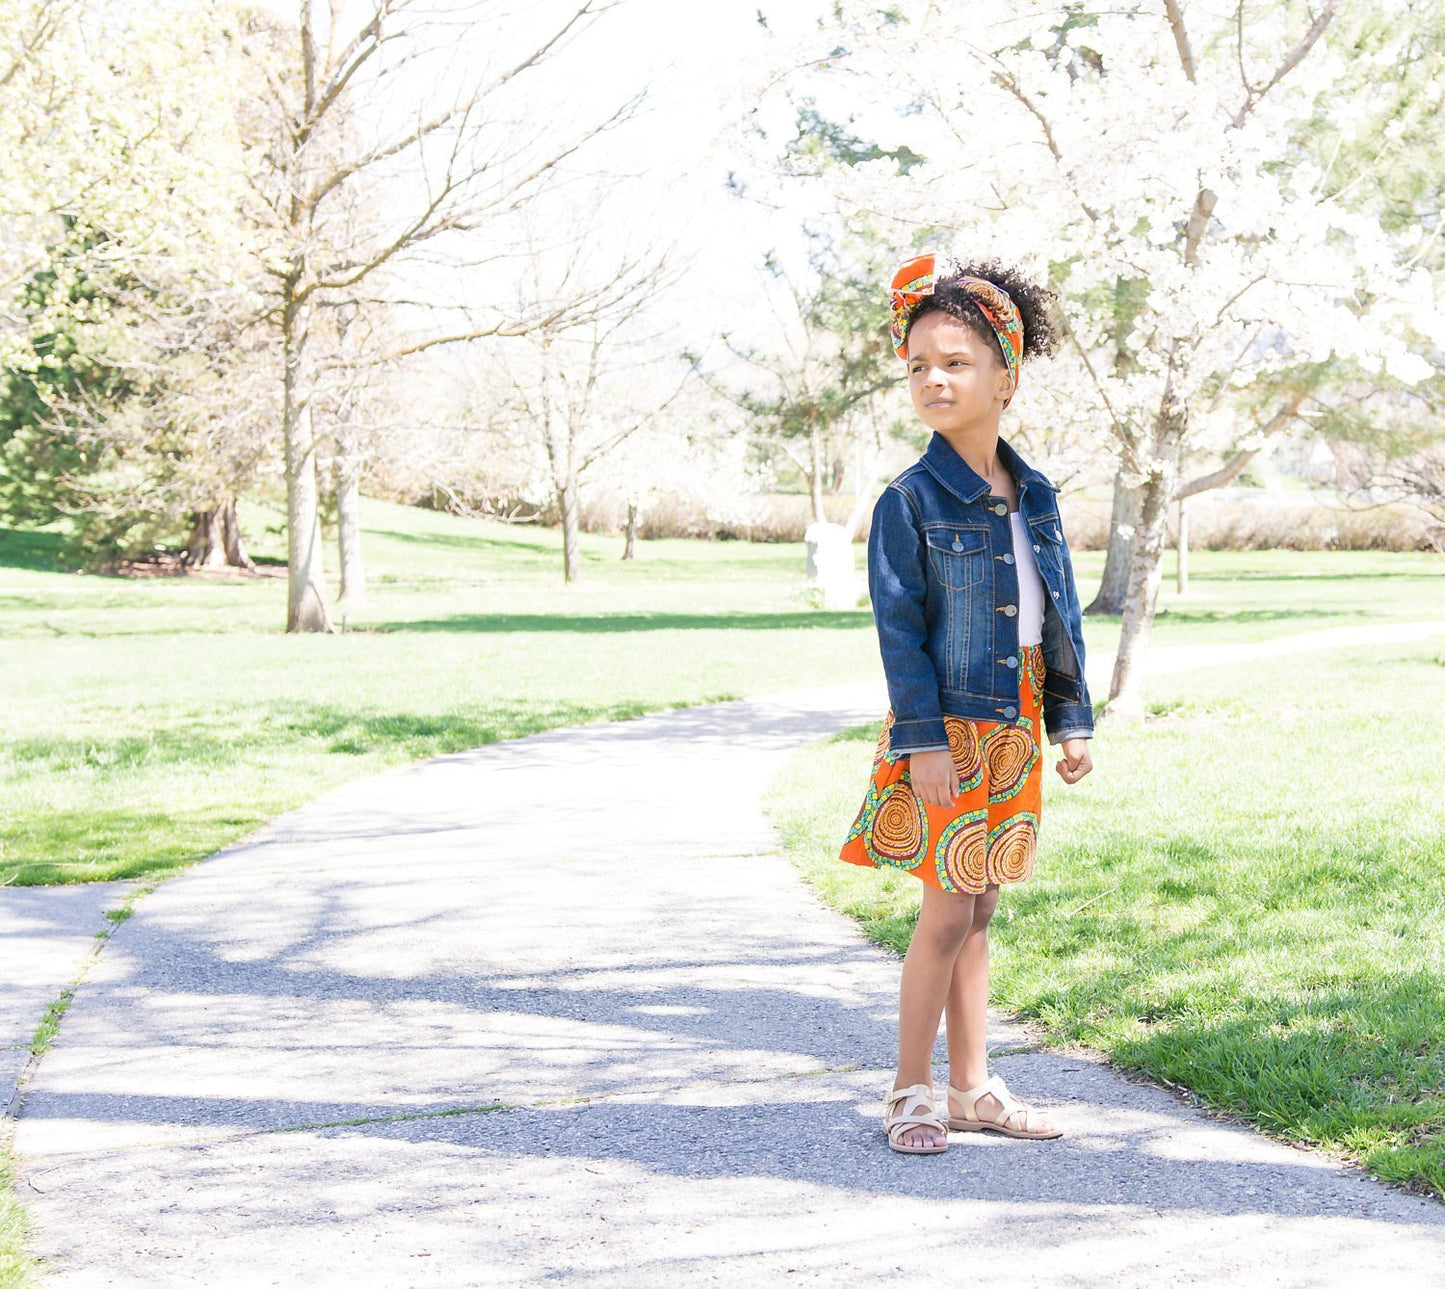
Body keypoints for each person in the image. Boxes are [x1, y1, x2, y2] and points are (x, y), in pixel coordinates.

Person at [838, 253, 1095, 1154]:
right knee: (945, 909)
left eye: (954, 362)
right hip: (945, 727)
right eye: (917, 366)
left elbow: (1052, 613)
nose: (932, 379)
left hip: (1014, 723)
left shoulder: (1035, 496)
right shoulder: (908, 501)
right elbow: (898, 634)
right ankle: (909, 1089)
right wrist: (922, 741)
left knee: (980, 907)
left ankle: (971, 1086)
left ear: (1004, 376)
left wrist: (1069, 720)